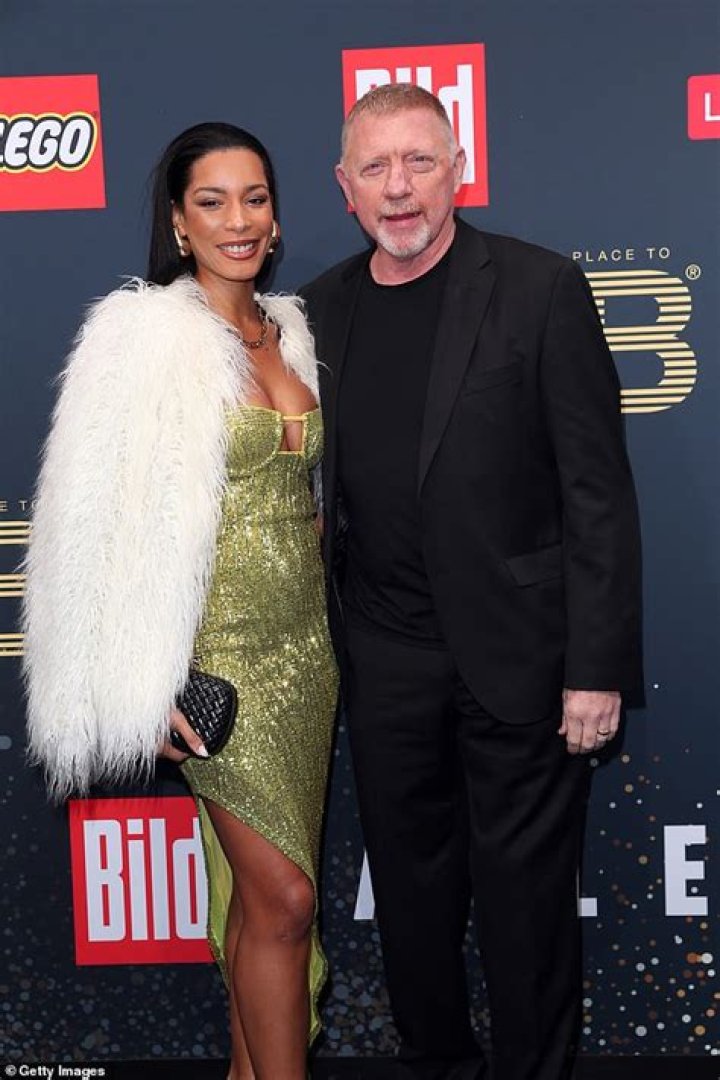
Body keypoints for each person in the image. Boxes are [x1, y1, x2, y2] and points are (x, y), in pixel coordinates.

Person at [301, 84, 642, 1080]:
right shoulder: (316, 311)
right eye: (375, 167)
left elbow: (596, 492)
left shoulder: (540, 288)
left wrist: (596, 668)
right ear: (345, 186)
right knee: (411, 908)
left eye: (420, 160)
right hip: (384, 663)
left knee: (527, 909)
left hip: (523, 659)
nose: (398, 187)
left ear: (459, 168)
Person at [23, 122, 338, 1080]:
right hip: (213, 666)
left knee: (256, 901)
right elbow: (87, 524)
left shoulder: (290, 331)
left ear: (275, 219)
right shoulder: (142, 338)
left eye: (254, 198)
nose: (237, 220)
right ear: (178, 222)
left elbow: (307, 508)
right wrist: (140, 680)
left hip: (306, 657)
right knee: (286, 901)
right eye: (212, 201)